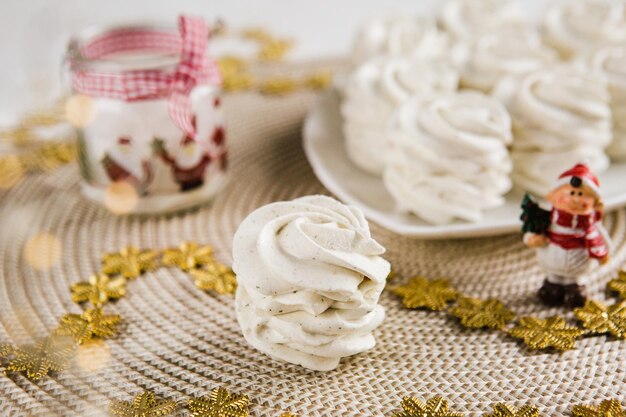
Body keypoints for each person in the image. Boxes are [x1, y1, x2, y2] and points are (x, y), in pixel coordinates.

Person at [522, 164, 610, 308]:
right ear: (554, 196)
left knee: (573, 287)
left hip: (578, 265)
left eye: (581, 195)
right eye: (571, 193)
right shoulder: (549, 220)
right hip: (552, 261)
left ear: (595, 202)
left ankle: (573, 290)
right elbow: (534, 231)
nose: (575, 200)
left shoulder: (590, 226)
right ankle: (552, 287)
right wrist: (532, 240)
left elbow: (602, 238)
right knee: (552, 286)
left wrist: (605, 253)